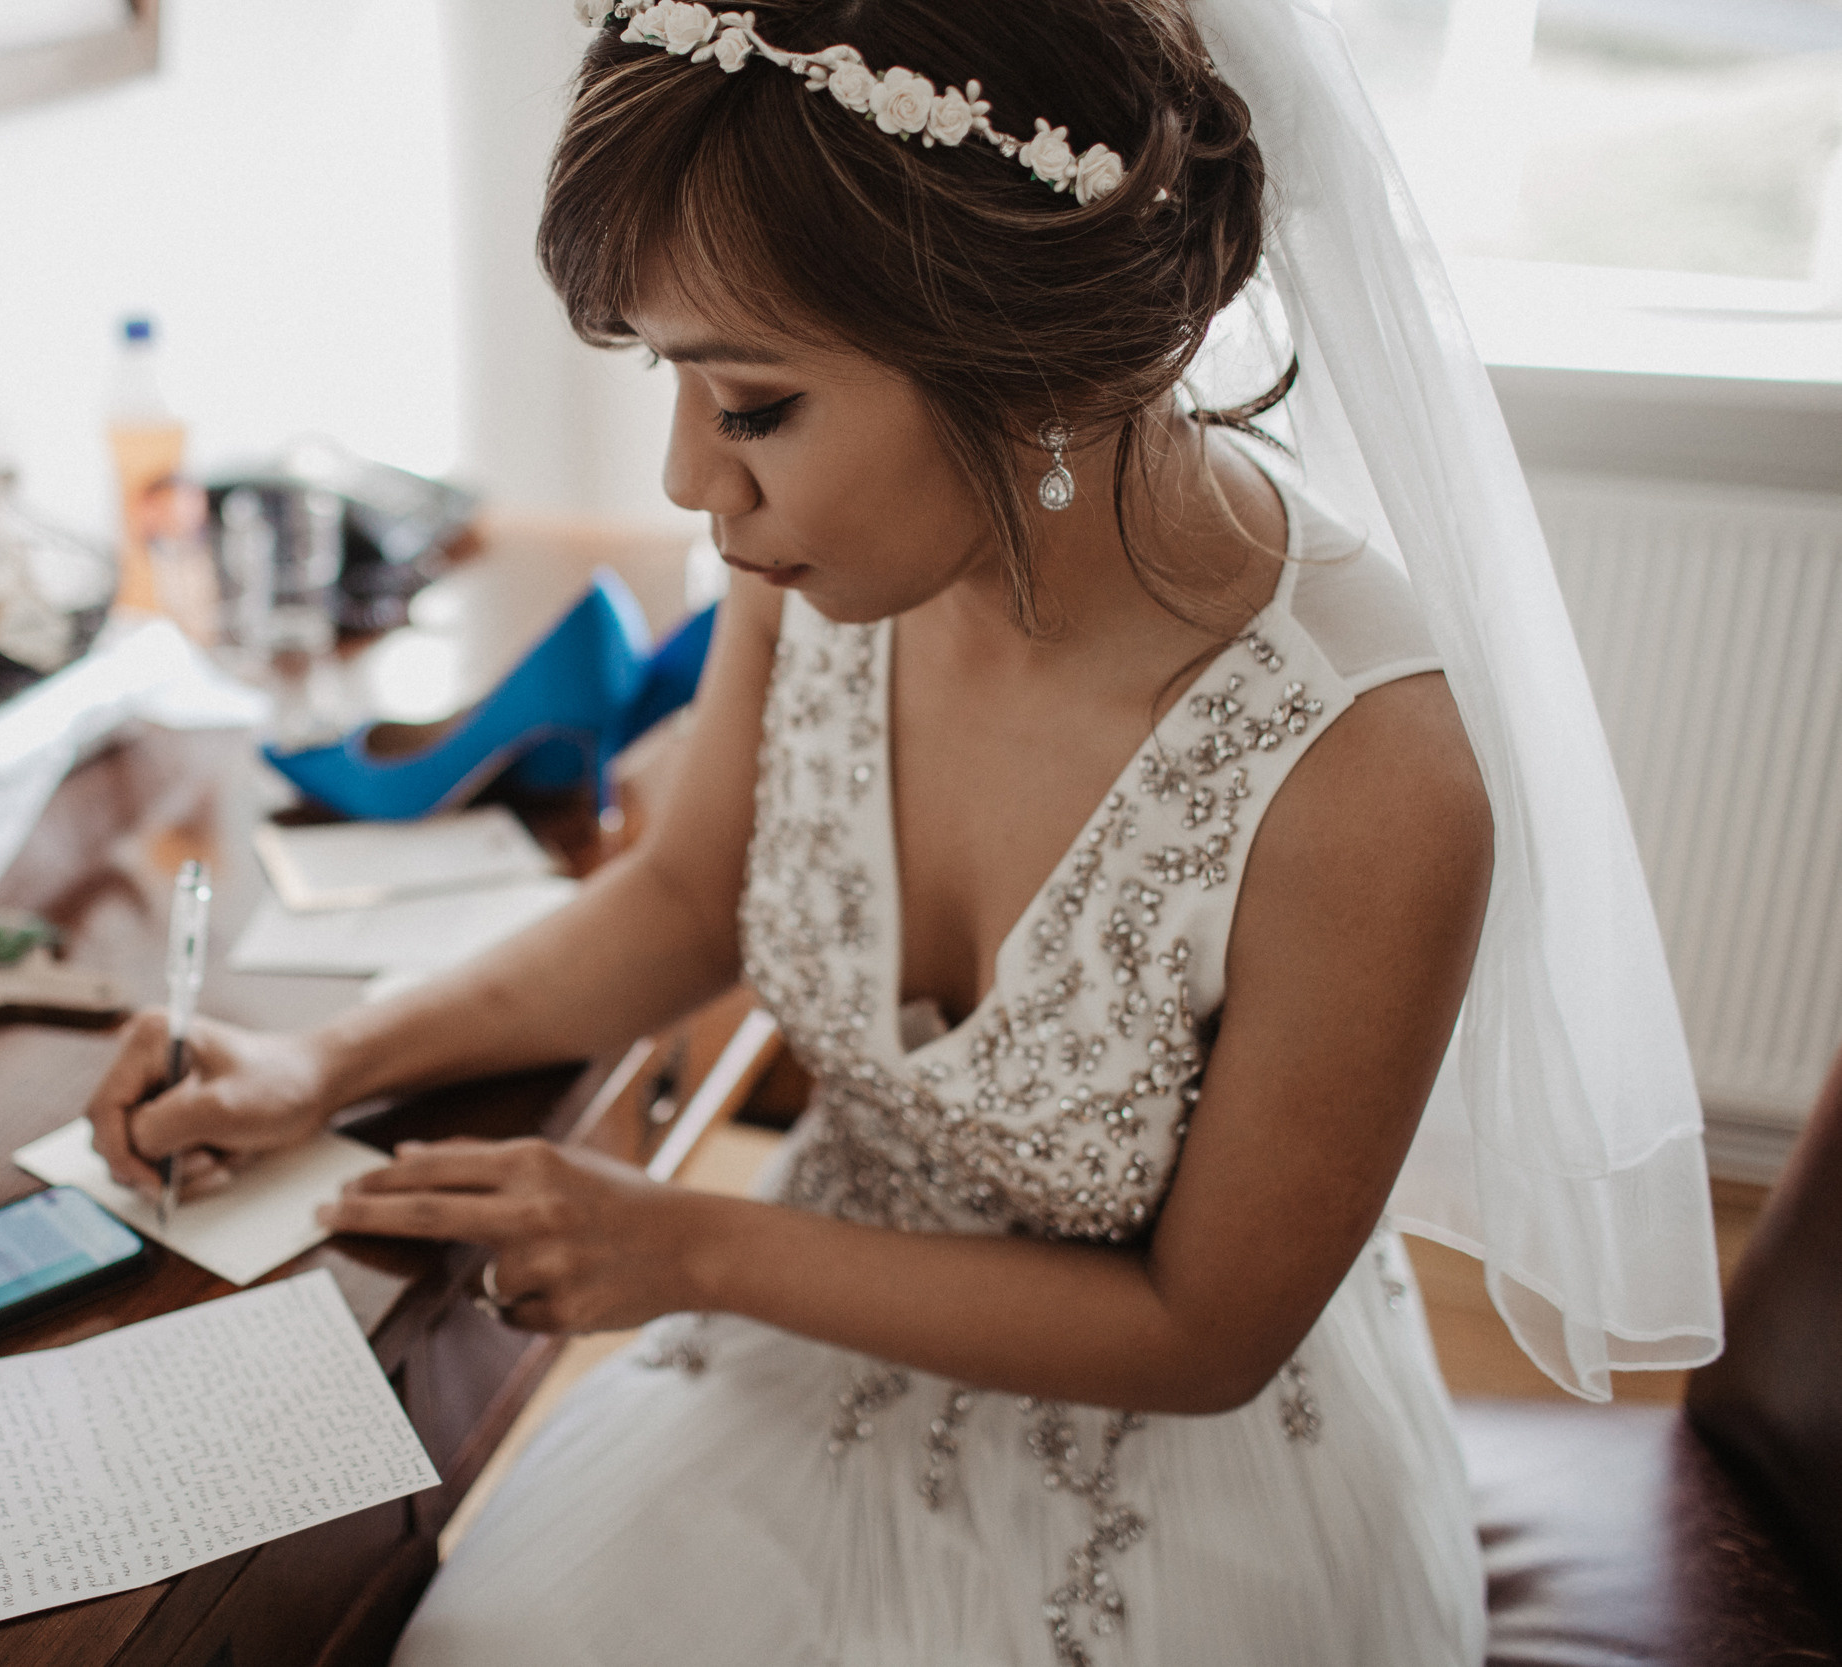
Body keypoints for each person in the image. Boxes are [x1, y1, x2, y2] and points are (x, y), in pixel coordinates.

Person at [85, 1, 1723, 1660]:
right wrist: (324, 1062)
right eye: (674, 380)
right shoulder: (821, 573)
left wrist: (689, 1241)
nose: (684, 481)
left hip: (1180, 1487)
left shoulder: (1368, 773)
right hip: (799, 1340)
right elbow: (676, 902)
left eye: (749, 405)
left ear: (1030, 360)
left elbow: (1206, 1332)